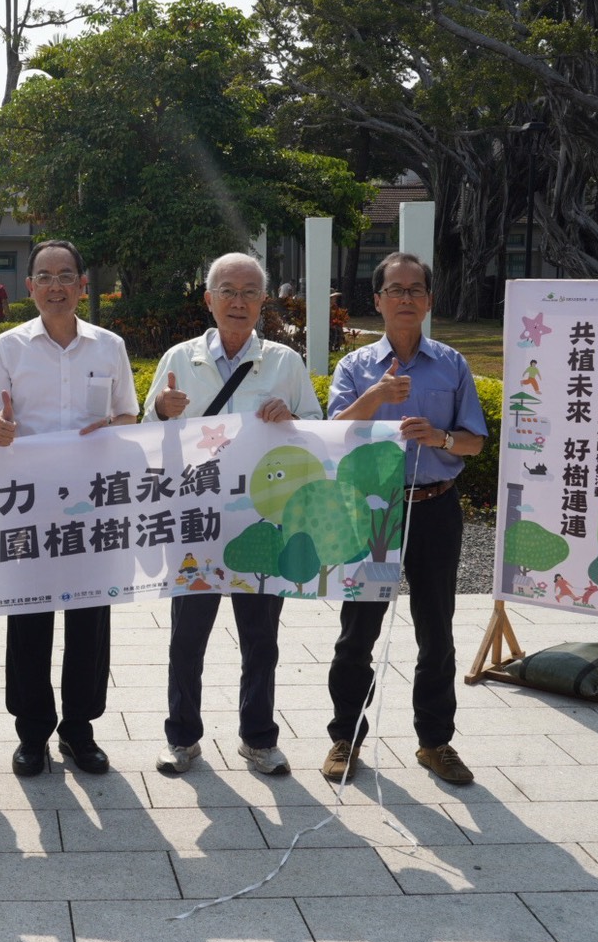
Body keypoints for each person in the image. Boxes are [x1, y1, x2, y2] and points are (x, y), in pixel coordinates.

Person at [144, 253, 321, 776]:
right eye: (227, 290)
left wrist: (292, 417)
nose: (238, 301)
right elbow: (144, 436)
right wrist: (161, 412)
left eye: (249, 292)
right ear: (209, 299)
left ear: (264, 301)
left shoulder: (284, 363)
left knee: (261, 639)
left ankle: (258, 738)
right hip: (195, 521)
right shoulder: (179, 358)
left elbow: (317, 431)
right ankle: (182, 738)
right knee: (187, 637)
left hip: (262, 522)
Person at [321, 251, 487, 786]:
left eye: (416, 289)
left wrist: (440, 437)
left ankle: (435, 742)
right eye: (395, 289)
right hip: (373, 512)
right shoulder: (355, 367)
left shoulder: (452, 364)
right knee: (358, 632)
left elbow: (475, 442)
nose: (406, 298)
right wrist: (375, 397)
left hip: (436, 507)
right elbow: (333, 434)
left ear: (430, 300)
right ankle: (345, 736)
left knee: (436, 630)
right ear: (378, 300)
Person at [0, 239, 140, 776]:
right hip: (28, 506)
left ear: (82, 284)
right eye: (44, 277)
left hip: (94, 507)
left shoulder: (109, 346)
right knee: (28, 619)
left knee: (90, 619)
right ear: (29, 287)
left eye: (66, 276)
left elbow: (129, 416)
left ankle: (79, 730)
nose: (55, 286)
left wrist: (110, 426)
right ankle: (32, 732)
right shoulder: (8, 347)